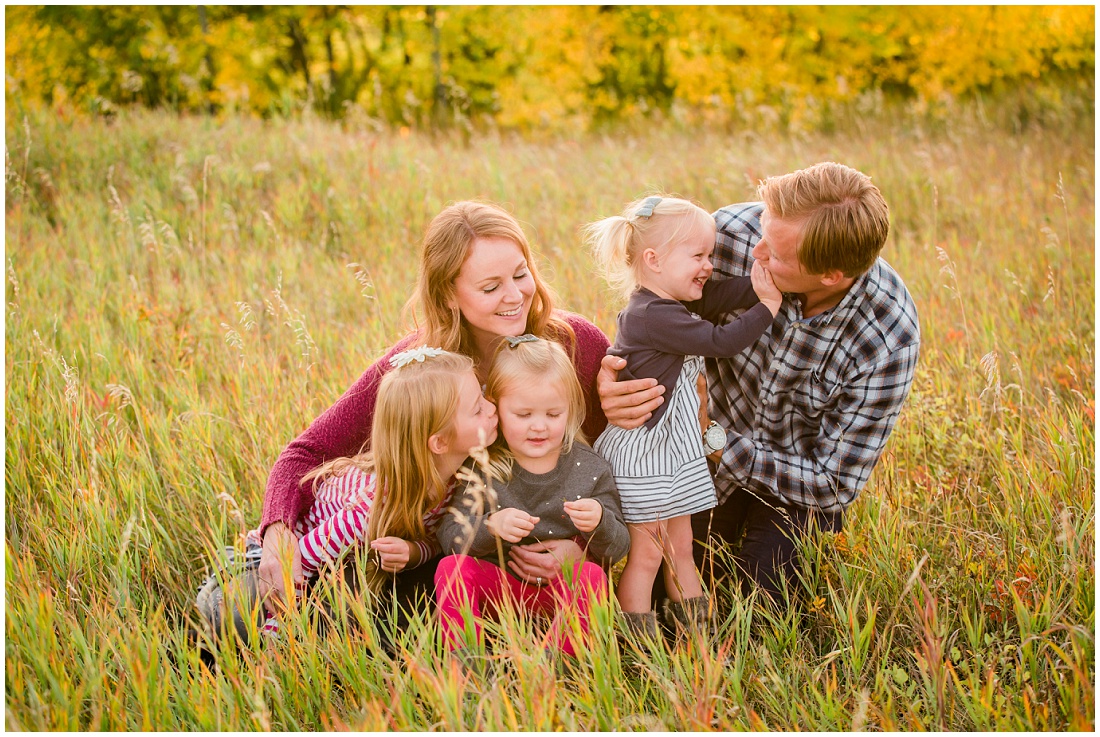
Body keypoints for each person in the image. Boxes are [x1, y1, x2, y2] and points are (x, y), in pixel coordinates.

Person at [250, 201, 611, 628]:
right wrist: (277, 533)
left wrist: (584, 545)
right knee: (365, 607)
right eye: (491, 286)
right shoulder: (420, 368)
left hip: (551, 570)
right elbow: (305, 453)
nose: (515, 296)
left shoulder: (574, 344)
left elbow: (616, 466)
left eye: (520, 274)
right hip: (451, 560)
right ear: (448, 295)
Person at [597, 162, 920, 607]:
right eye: (764, 229)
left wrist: (711, 438)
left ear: (830, 276)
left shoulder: (887, 335)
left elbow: (832, 484)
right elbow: (649, 314)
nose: (757, 250)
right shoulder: (726, 235)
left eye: (777, 253)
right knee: (664, 572)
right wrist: (613, 381)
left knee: (761, 603)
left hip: (792, 487)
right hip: (695, 463)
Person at [196, 348, 498, 640]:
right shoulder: (370, 507)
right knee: (237, 621)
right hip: (286, 558)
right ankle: (232, 587)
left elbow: (436, 536)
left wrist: (414, 551)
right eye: (478, 408)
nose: (492, 407)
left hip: (342, 565)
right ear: (440, 442)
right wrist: (280, 632)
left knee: (359, 613)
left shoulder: (451, 481)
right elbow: (297, 564)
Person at [584, 195, 781, 641]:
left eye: (710, 255)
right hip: (646, 454)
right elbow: (723, 339)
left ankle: (698, 639)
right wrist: (767, 306)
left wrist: (769, 282)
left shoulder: (670, 301)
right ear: (653, 260)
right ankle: (639, 642)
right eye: (698, 256)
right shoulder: (651, 316)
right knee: (649, 553)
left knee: (682, 547)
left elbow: (720, 295)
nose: (709, 265)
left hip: (672, 451)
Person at [434, 336, 630, 662]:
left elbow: (620, 546)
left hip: (564, 592)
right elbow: (448, 537)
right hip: (503, 590)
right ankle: (467, 667)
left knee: (593, 578)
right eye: (523, 414)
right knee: (451, 568)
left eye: (553, 414)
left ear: (570, 408)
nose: (539, 427)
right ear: (496, 406)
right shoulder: (483, 467)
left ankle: (555, 667)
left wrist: (599, 522)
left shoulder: (589, 467)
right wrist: (490, 527)